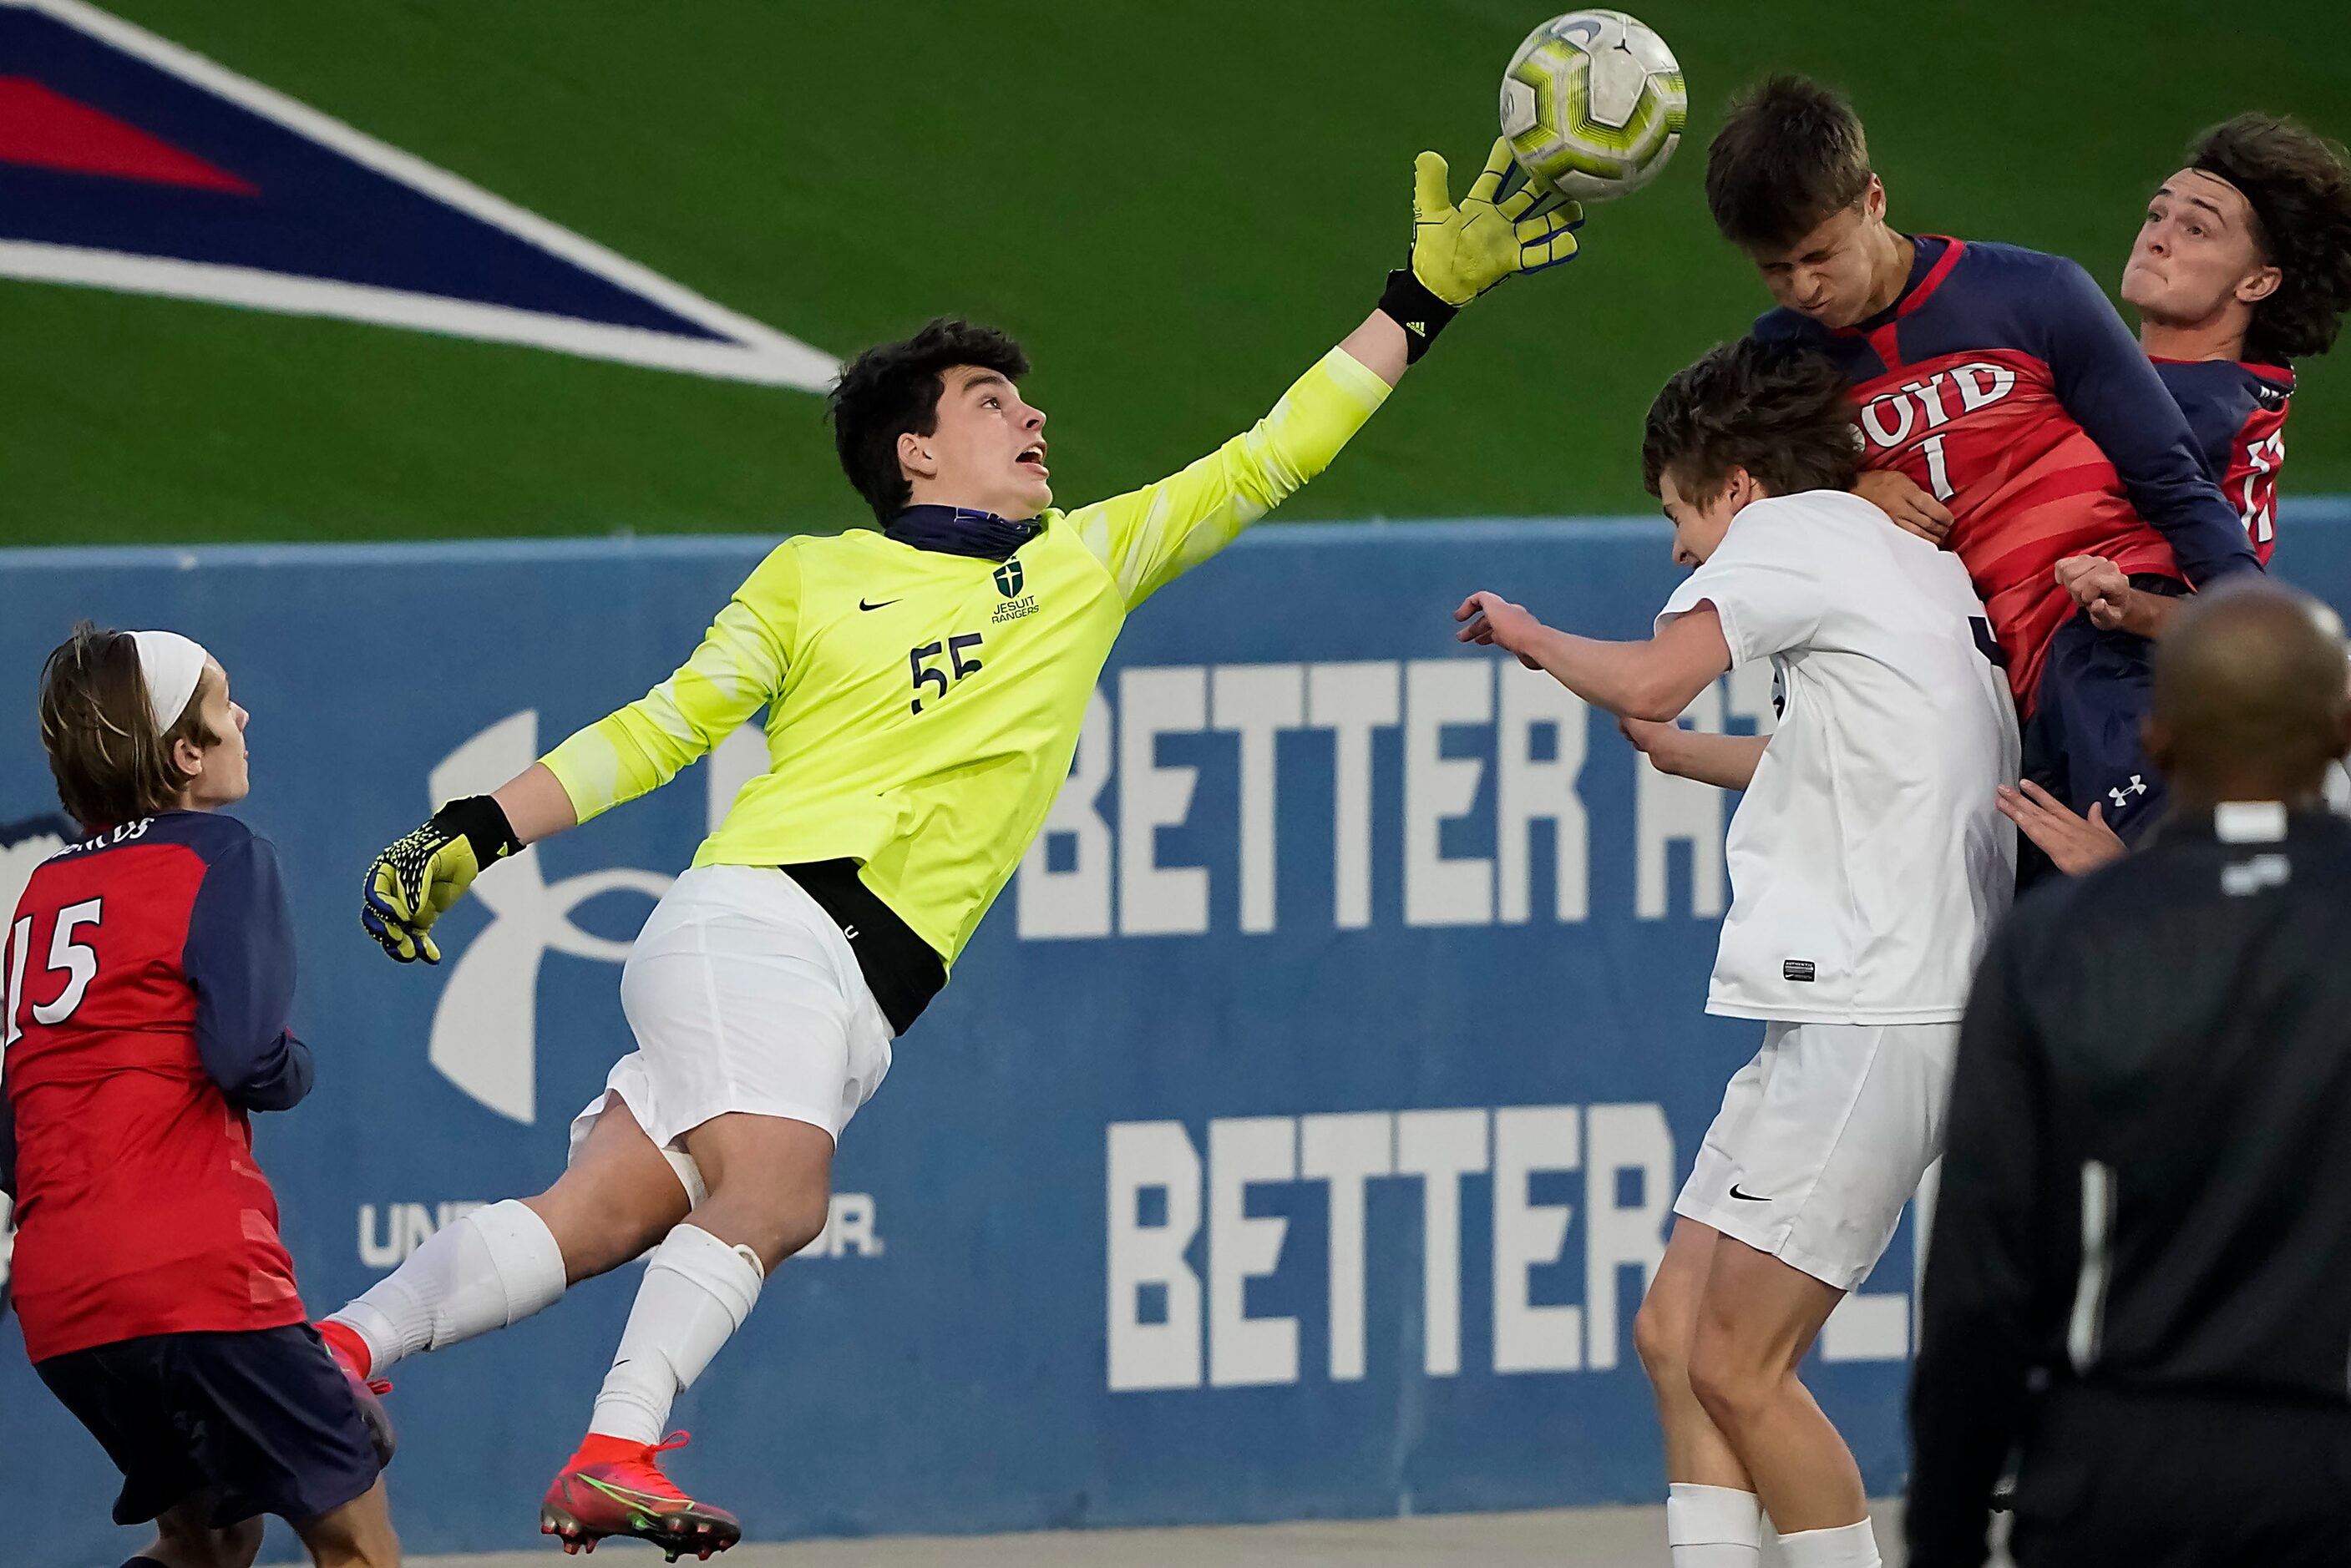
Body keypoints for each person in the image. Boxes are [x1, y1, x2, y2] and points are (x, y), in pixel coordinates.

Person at [322, 141, 1583, 1555]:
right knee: (782, 1193)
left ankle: (334, 1352)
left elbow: (1274, 450)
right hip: (768, 923)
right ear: (916, 448)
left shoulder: (1087, 562)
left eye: (1027, 398)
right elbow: (663, 727)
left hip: (849, 993)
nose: (1033, 415)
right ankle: (613, 1447)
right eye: (993, 401)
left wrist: (1420, 302)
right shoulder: (813, 577)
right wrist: (477, 827)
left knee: (591, 1217)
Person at [1455, 336, 2016, 1568]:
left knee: (1736, 1362)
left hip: (1879, 1001)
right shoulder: (1895, 558)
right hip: (1866, 997)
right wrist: (1682, 751)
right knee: (1672, 1332)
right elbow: (1865, 770)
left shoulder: (1795, 535)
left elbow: (1655, 671)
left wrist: (1532, 634)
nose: (1677, 547)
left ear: (1737, 485)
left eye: (1677, 511)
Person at [1907, 580, 2351, 1568]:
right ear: (2340, 730)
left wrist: (1943, 1530)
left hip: (2117, 1479)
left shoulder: (2055, 947)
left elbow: (1981, 1279)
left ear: (2154, 741)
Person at [1705, 75, 2260, 864]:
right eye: (1774, 269)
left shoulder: (2035, 295)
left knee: (2184, 894)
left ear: (1872, 199)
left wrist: (2266, 641)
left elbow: (2172, 478)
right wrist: (1847, 491)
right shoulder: (1776, 363)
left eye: (1817, 256)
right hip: (1986, 722)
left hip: (2097, 643)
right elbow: (1727, 508)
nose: (1803, 288)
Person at [1, 625, 399, 1568]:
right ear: (185, 753)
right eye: (224, 704)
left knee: (209, 1543)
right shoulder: (222, 855)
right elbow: (245, 1057)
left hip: (60, 1296)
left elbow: (14, 1116)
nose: (243, 717)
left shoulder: (43, 893)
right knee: (355, 1542)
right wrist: (295, 1065)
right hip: (193, 1272)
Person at [1991, 113, 2351, 872]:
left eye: (2197, 229)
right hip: (2064, 722)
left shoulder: (2201, 410)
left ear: (2257, 282)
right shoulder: (2193, 395)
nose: (2155, 235)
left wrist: (2132, 608)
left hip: (2135, 723)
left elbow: (2236, 623)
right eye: (2157, 214)